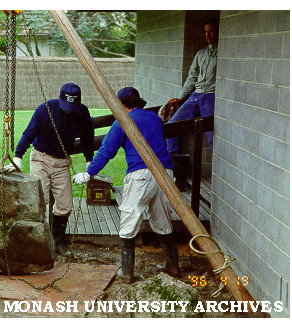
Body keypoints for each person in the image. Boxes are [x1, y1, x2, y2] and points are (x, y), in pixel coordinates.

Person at [73, 87, 179, 282]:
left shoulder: (123, 122)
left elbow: (107, 151)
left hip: (141, 175)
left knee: (129, 219)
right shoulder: (154, 118)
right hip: (166, 173)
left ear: (121, 105)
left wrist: (88, 173)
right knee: (162, 219)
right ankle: (172, 266)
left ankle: (127, 272)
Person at [4, 82, 94, 257]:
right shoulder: (45, 110)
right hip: (41, 158)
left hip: (62, 162)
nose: (68, 110)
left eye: (72, 107)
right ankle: (36, 242)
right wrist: (18, 156)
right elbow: (29, 132)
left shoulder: (82, 112)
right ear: (59, 97)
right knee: (38, 201)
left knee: (65, 204)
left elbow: (87, 137)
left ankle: (57, 242)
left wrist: (89, 160)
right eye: (66, 106)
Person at [166, 21, 218, 190]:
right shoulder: (201, 53)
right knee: (173, 125)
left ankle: (218, 179)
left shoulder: (224, 53)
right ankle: (175, 172)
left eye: (211, 31)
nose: (208, 35)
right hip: (196, 95)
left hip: (211, 96)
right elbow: (191, 78)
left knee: (212, 137)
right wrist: (180, 98)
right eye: (205, 32)